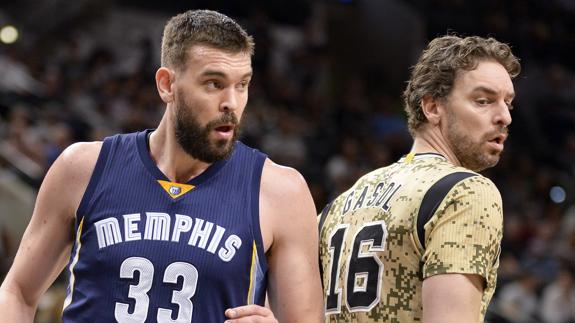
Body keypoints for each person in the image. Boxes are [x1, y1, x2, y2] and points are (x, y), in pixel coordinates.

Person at [0, 9, 323, 323]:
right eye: (213, 83)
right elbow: (17, 292)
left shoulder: (281, 192)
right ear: (167, 84)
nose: (232, 102)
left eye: (242, 84)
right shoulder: (82, 169)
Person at [318, 35, 520, 322]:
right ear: (433, 107)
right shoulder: (466, 191)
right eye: (483, 101)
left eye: (508, 104)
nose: (504, 117)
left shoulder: (340, 203)